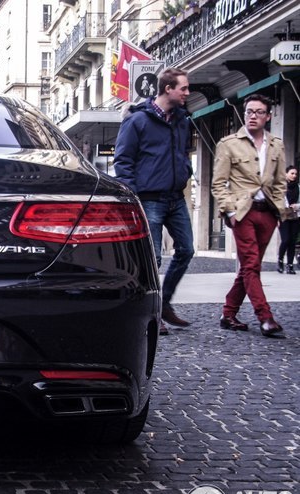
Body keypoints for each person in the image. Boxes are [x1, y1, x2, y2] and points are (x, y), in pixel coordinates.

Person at [114, 68, 194, 336]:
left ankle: (164, 304)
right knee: (153, 259)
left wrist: (186, 172)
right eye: (183, 88)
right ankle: (152, 315)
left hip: (176, 198)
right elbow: (123, 161)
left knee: (187, 250)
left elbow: (182, 153)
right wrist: (133, 196)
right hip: (149, 199)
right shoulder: (138, 120)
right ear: (168, 88)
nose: (187, 92)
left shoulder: (182, 120)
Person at [211, 94, 287, 338]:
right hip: (243, 213)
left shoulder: (276, 144)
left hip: (268, 215)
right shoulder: (228, 143)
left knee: (248, 267)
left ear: (268, 116)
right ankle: (265, 317)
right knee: (252, 265)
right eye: (249, 112)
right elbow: (218, 183)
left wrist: (279, 210)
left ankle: (228, 313)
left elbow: (280, 181)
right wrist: (230, 211)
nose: (253, 116)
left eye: (258, 112)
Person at [277, 165, 299, 274]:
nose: (294, 175)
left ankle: (290, 265)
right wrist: (276, 218)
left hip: (295, 216)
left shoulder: (298, 187)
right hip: (283, 216)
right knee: (285, 240)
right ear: (286, 174)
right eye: (292, 173)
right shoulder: (281, 187)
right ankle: (280, 261)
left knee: (292, 242)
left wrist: (297, 206)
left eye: (295, 174)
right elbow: (275, 203)